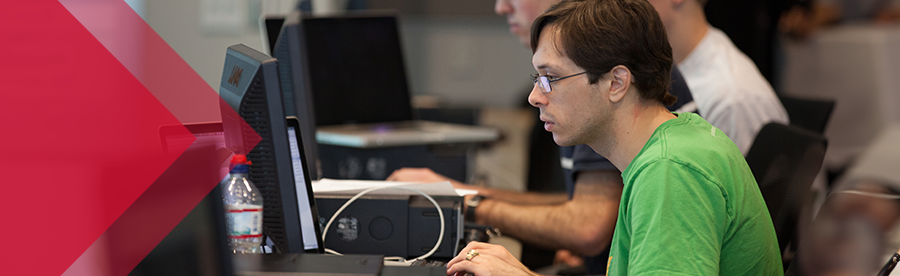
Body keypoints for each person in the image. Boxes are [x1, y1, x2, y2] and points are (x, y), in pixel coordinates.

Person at [444, 0, 783, 275]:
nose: (535, 97)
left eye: (551, 78)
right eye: (537, 78)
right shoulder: (670, 143)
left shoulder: (669, 171)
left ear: (617, 83)